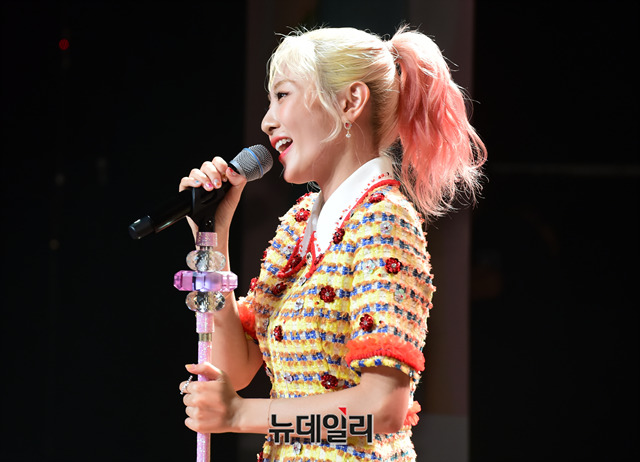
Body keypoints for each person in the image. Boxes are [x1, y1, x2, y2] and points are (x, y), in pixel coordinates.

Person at [178, 25, 486, 461]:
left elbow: (382, 410)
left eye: (282, 95)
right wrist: (213, 234)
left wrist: (241, 414)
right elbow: (236, 367)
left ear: (350, 102)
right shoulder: (299, 223)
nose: (267, 121)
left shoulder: (384, 221)